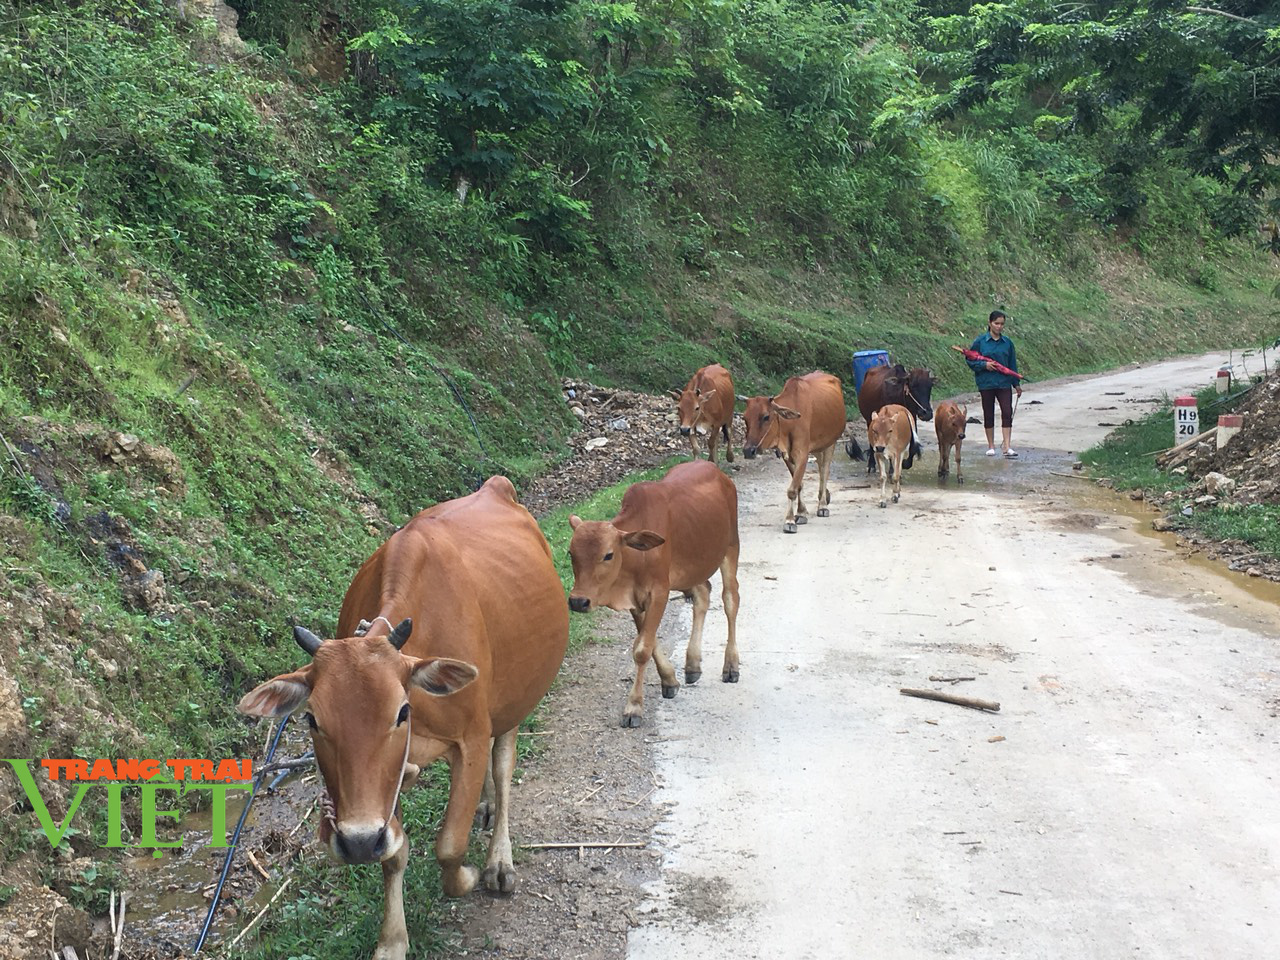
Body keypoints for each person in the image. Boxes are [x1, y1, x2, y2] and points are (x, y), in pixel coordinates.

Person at [966, 310, 1023, 458]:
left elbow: (1012, 365)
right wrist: (984, 366)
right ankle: (991, 446)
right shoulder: (980, 342)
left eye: (1002, 324)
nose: (999, 327)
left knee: (1006, 412)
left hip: (1004, 382)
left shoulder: (1007, 343)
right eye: (996, 323)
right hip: (986, 383)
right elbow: (970, 359)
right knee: (988, 413)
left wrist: (1016, 384)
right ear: (989, 323)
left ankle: (1007, 446)